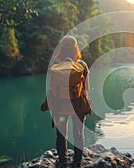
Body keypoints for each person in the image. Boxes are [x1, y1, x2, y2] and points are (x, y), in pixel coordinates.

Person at [45, 35, 90, 168]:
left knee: (61, 134)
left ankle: (63, 161)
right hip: (77, 105)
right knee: (79, 134)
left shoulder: (54, 66)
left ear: (61, 49)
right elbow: (86, 88)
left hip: (60, 105)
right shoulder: (82, 65)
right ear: (75, 49)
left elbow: (51, 88)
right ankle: (77, 162)